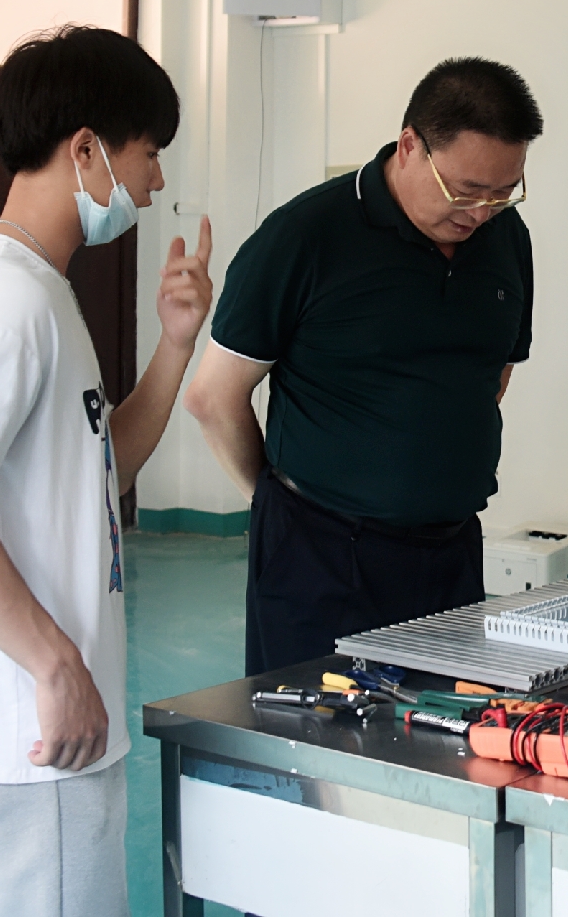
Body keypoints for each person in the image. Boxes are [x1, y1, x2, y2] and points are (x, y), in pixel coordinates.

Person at [0, 26, 214, 917]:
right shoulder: (6, 298)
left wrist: (175, 347)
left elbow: (98, 473)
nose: (155, 183)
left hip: (27, 723)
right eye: (149, 154)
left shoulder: (40, 289)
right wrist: (55, 665)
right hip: (32, 722)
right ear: (86, 149)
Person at [184, 56, 540, 676]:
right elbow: (213, 396)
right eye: (465, 190)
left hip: (451, 553)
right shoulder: (304, 236)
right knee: (318, 731)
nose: (481, 211)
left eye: (503, 192)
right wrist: (277, 507)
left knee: (444, 726)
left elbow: (492, 374)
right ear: (410, 146)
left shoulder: (506, 238)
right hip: (319, 558)